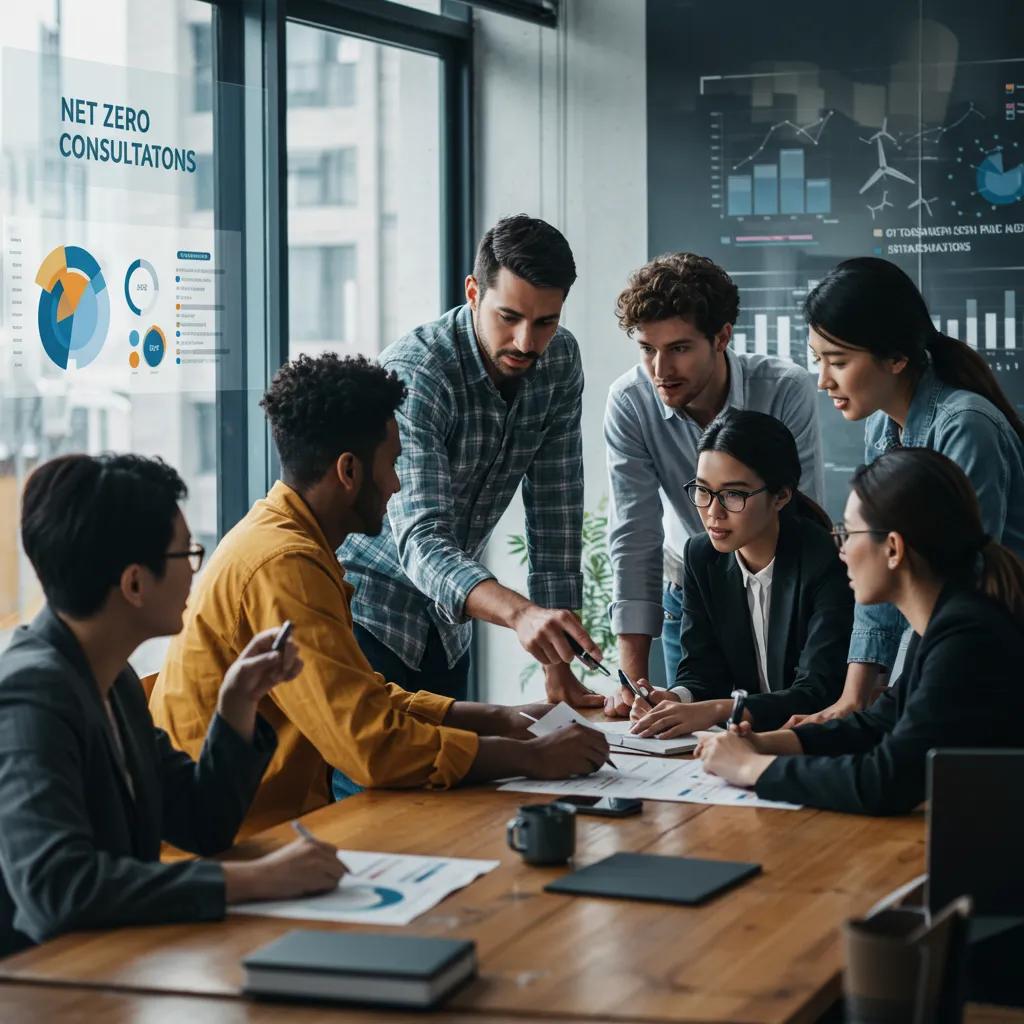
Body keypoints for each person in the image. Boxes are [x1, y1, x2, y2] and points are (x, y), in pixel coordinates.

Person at [150, 353, 609, 833]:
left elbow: (364, 697)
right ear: (348, 471)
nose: (395, 484)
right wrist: (531, 757)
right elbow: (371, 746)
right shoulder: (284, 564)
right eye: (391, 464)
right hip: (241, 841)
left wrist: (504, 718)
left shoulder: (286, 538)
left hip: (276, 826)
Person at [0, 454, 346, 958]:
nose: (194, 573)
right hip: (44, 979)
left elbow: (202, 823)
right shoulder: (31, 696)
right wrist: (257, 879)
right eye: (186, 553)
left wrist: (238, 704)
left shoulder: (113, 679)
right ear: (134, 584)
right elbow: (58, 888)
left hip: (113, 963)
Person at [339, 214, 604, 709]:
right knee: (383, 762)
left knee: (459, 760)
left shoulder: (559, 361)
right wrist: (520, 614)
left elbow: (556, 517)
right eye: (509, 317)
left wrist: (558, 667)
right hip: (366, 615)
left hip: (448, 628)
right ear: (473, 292)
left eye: (545, 322)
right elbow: (421, 538)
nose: (526, 342)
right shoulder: (417, 373)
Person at [695, 448, 1024, 816]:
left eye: (849, 534)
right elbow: (878, 724)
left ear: (893, 548)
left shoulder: (967, 638)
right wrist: (765, 743)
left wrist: (750, 767)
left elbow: (886, 781)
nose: (842, 551)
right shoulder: (944, 623)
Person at [793, 256, 1024, 727]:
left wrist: (893, 706)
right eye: (818, 360)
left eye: (838, 361)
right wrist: (853, 697)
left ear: (896, 358)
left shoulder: (966, 426)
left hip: (990, 656)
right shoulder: (882, 424)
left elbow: (952, 582)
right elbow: (881, 566)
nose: (823, 380)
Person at [605, 252, 824, 707]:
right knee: (686, 713)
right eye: (647, 349)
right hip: (693, 589)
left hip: (785, 587)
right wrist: (633, 686)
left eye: (679, 348)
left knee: (788, 711)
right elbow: (634, 535)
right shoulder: (630, 401)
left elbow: (801, 515)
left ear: (722, 337)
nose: (660, 371)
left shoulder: (785, 389)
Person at [623, 410, 852, 737]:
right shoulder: (702, 556)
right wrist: (674, 699)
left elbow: (818, 692)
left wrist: (720, 710)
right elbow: (702, 672)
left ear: (781, 496)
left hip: (814, 742)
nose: (713, 512)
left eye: (733, 494)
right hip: (744, 741)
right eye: (703, 490)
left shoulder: (825, 560)